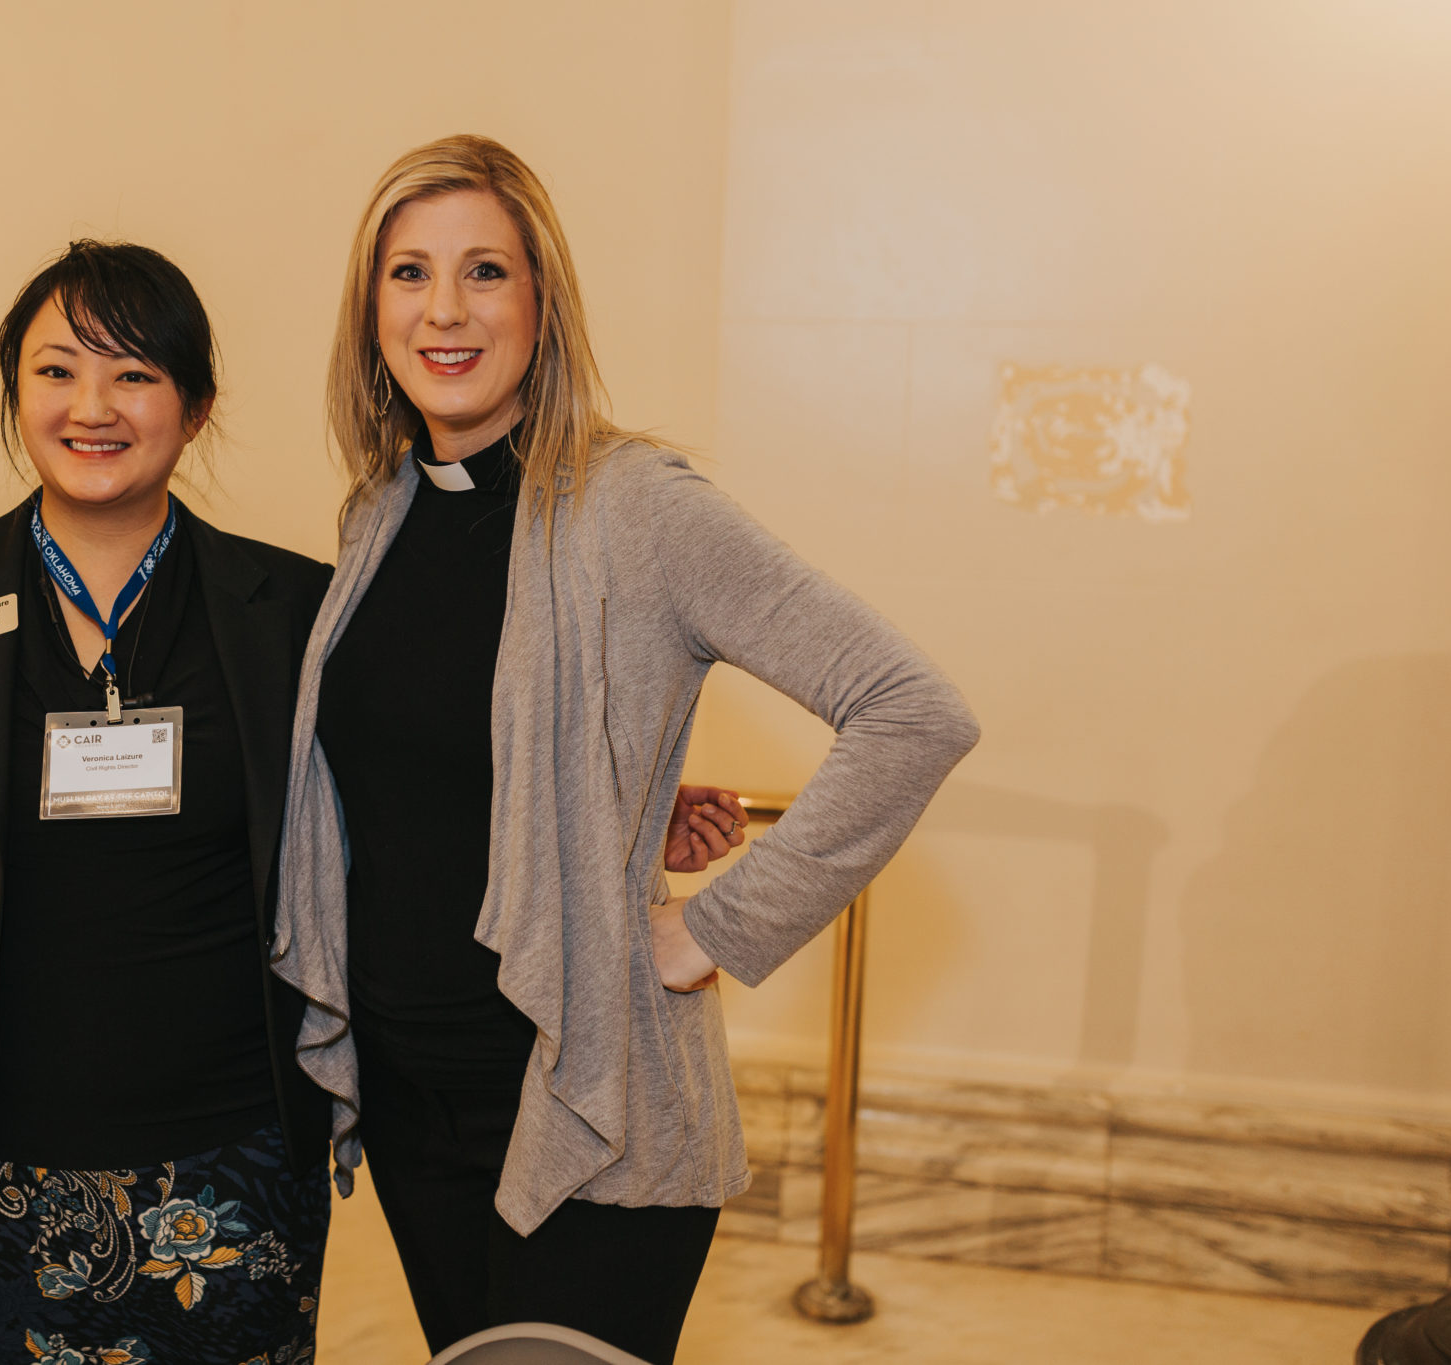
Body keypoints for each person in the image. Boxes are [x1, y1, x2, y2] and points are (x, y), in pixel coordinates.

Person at [271, 136, 982, 1364]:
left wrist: (717, 928)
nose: (444, 310)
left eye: (484, 271)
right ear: (368, 310)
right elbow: (432, 756)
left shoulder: (635, 504)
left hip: (585, 1096)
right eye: (408, 273)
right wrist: (604, 795)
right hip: (411, 1094)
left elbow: (912, 711)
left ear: (542, 303)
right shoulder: (375, 512)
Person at [0, 240, 334, 1365]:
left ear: (195, 406)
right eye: (57, 370)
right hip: (0, 1156)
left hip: (240, 1152)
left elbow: (405, 810)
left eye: (133, 373)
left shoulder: (288, 607)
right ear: (16, 392)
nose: (91, 407)